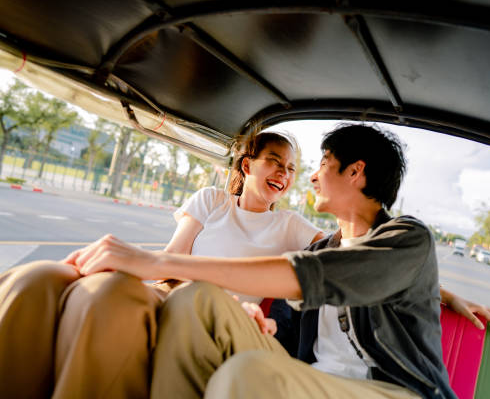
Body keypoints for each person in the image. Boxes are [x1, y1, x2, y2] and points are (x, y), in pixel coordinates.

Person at [62, 124, 490, 399]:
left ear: (355, 172)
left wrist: (153, 261)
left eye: (320, 164)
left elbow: (313, 278)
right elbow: (297, 304)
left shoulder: (406, 237)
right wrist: (266, 322)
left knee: (251, 373)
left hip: (391, 390)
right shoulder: (320, 246)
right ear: (246, 166)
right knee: (195, 301)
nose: (309, 176)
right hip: (313, 378)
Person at [0, 131, 324, 398]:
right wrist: (129, 265)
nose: (284, 173)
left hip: (213, 317)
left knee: (105, 295)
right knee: (42, 276)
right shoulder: (212, 200)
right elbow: (172, 255)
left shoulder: (291, 225)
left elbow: (344, 253)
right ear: (248, 165)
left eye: (292, 168)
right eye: (274, 161)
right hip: (169, 292)